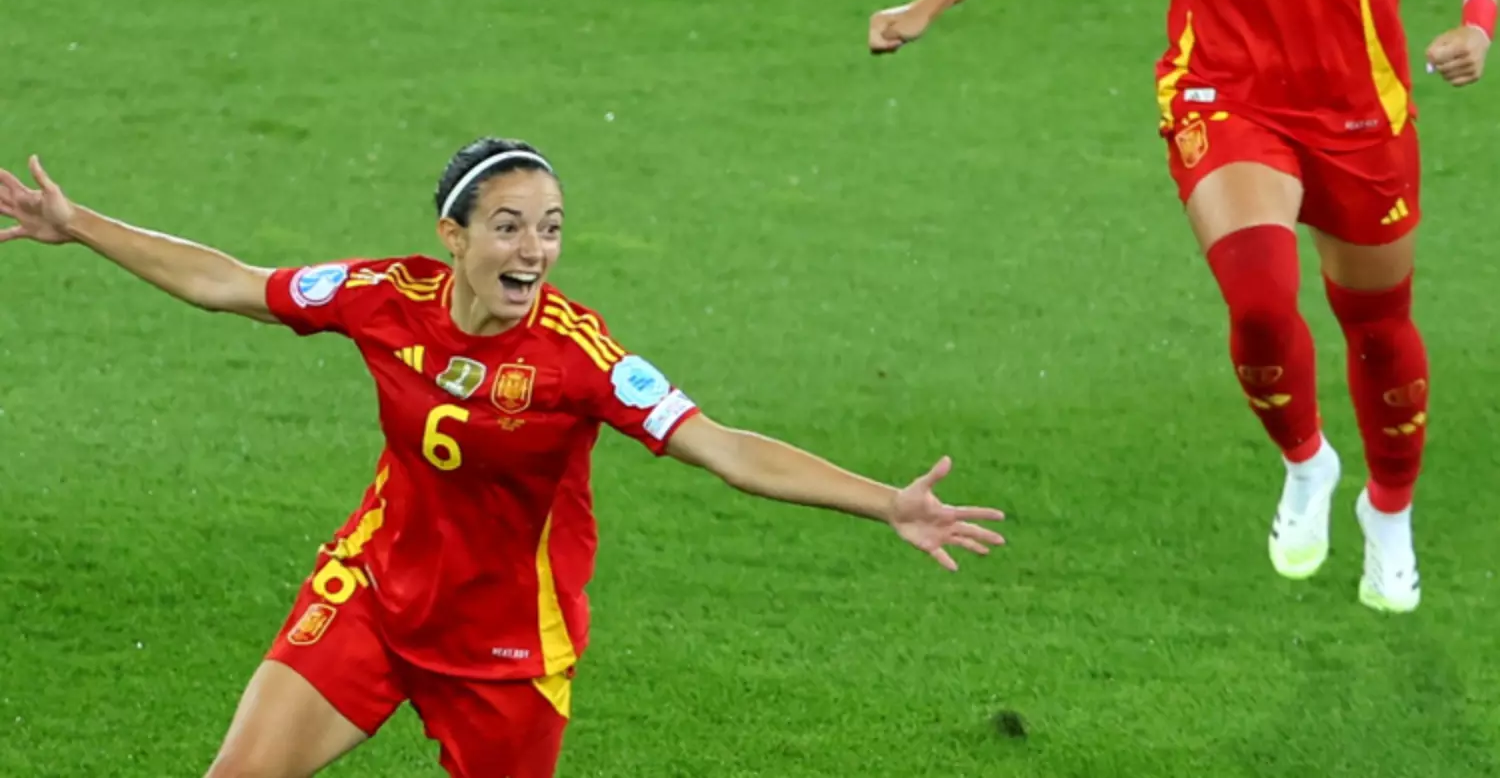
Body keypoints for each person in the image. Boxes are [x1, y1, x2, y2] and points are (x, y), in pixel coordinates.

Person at [0, 140, 1007, 778]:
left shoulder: (578, 357)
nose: (535, 251)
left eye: (551, 230)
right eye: (511, 227)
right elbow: (230, 282)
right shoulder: (383, 296)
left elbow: (725, 449)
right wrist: (78, 226)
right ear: (454, 234)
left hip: (508, 650)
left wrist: (887, 503)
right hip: (375, 595)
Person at [868, 0, 1499, 613]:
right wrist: (928, 5)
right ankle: (1306, 462)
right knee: (1259, 301)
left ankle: (1388, 509)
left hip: (1359, 113)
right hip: (1225, 99)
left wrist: (1477, 27)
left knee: (1378, 324)